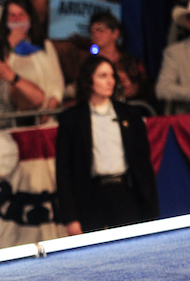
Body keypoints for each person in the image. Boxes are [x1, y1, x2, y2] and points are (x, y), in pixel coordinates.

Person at [56, 55, 158, 234]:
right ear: (89, 80)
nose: (110, 81)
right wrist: (70, 218)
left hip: (126, 194)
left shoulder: (131, 115)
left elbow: (144, 166)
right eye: (103, 76)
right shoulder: (71, 119)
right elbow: (63, 172)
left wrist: (151, 210)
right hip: (89, 197)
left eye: (112, 76)